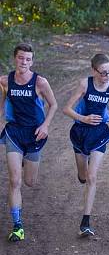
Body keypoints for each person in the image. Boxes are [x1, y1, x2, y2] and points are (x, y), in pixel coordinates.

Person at [0, 43, 58, 242]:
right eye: (20, 58)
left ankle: (24, 160)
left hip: (34, 134)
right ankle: (17, 225)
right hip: (14, 132)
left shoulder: (40, 82)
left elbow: (54, 104)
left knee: (29, 182)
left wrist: (46, 126)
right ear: (14, 58)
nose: (23, 62)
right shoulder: (5, 81)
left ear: (32, 61)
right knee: (15, 181)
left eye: (28, 59)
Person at [63, 54, 109, 237]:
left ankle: (85, 221)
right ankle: (81, 174)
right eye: (103, 73)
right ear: (94, 71)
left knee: (92, 176)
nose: (107, 76)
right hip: (81, 131)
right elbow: (66, 109)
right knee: (83, 175)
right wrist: (84, 118)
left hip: (99, 133)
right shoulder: (85, 84)